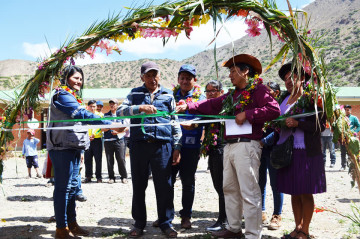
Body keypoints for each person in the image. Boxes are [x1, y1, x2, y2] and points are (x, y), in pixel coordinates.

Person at [176, 54, 280, 239]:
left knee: (249, 190)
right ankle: (233, 228)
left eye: (233, 71)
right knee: (229, 188)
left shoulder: (258, 90)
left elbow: (273, 110)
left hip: (247, 146)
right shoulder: (231, 95)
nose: (230, 75)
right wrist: (188, 106)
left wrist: (248, 114)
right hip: (229, 146)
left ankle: (253, 233)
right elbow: (210, 104)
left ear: (245, 71)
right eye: (230, 71)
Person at [117, 61, 182, 238]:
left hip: (163, 146)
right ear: (142, 77)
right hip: (139, 145)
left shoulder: (168, 95)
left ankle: (166, 223)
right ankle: (139, 223)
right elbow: (119, 112)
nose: (152, 79)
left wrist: (177, 146)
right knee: (139, 185)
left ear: (159, 76)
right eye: (148, 75)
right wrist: (140, 108)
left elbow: (174, 122)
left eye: (155, 75)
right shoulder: (134, 93)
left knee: (165, 186)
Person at [46, 65, 111, 238]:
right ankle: (61, 228)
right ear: (66, 78)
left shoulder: (73, 96)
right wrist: (108, 123)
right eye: (75, 78)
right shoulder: (62, 95)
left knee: (73, 187)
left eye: (81, 79)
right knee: (63, 188)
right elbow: (81, 114)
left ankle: (72, 224)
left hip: (73, 147)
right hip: (61, 147)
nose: (79, 81)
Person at [275, 63, 326, 239]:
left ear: (303, 78)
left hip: (307, 151)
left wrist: (298, 124)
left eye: (292, 77)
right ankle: (297, 227)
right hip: (288, 151)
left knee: (305, 190)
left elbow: (321, 125)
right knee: (294, 190)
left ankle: (306, 230)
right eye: (286, 79)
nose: (288, 81)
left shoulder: (313, 98)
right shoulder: (284, 98)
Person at [171, 64, 206, 229]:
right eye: (182, 78)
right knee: (167, 181)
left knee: (188, 182)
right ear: (178, 79)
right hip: (171, 146)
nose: (185, 81)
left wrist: (194, 125)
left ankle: (186, 216)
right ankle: (166, 215)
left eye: (188, 78)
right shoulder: (171, 95)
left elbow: (205, 116)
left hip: (191, 147)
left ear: (194, 80)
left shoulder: (200, 97)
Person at [258, 82, 283, 230]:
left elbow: (280, 129)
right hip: (260, 150)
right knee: (260, 183)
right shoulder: (261, 107)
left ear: (277, 93)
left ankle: (277, 215)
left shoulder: (279, 108)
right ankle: (262, 211)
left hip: (275, 150)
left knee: (276, 184)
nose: (265, 93)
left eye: (269, 91)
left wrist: (265, 141)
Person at [202, 80, 226, 232]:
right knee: (219, 186)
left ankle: (224, 220)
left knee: (224, 187)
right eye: (208, 91)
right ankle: (225, 218)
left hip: (224, 149)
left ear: (221, 92)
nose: (211, 93)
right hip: (213, 149)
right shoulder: (206, 108)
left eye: (214, 90)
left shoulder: (225, 107)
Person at [103, 98, 128, 184]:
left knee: (121, 159)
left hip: (119, 140)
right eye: (110, 104)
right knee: (109, 160)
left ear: (117, 105)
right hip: (108, 140)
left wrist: (118, 131)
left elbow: (126, 127)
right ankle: (111, 177)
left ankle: (124, 177)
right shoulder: (105, 115)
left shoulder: (121, 115)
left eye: (113, 103)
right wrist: (113, 126)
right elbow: (102, 128)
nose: (112, 105)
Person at [84, 100, 104, 183]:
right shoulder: (84, 115)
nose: (93, 108)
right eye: (91, 106)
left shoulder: (100, 115)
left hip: (97, 139)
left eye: (94, 106)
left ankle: (99, 177)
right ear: (88, 107)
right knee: (87, 159)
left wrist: (94, 135)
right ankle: (88, 176)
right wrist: (87, 136)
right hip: (87, 139)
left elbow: (101, 126)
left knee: (98, 159)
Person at [340, 105, 360, 170]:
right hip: (343, 138)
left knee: (351, 152)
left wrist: (355, 132)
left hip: (351, 138)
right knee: (343, 152)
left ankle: (351, 167)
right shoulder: (341, 118)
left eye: (348, 110)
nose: (346, 111)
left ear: (350, 111)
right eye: (345, 110)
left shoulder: (354, 118)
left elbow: (358, 126)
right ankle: (343, 166)